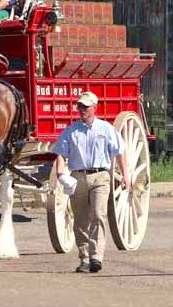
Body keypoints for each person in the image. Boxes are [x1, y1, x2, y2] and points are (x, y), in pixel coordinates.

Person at [53, 91, 129, 273]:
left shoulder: (106, 129)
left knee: (98, 214)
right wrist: (61, 173)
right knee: (80, 220)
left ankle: (96, 257)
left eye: (85, 107)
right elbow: (61, 155)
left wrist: (126, 174)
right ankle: (84, 257)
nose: (81, 110)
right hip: (78, 177)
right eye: (79, 106)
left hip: (101, 176)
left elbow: (119, 151)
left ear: (95, 108)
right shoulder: (70, 131)